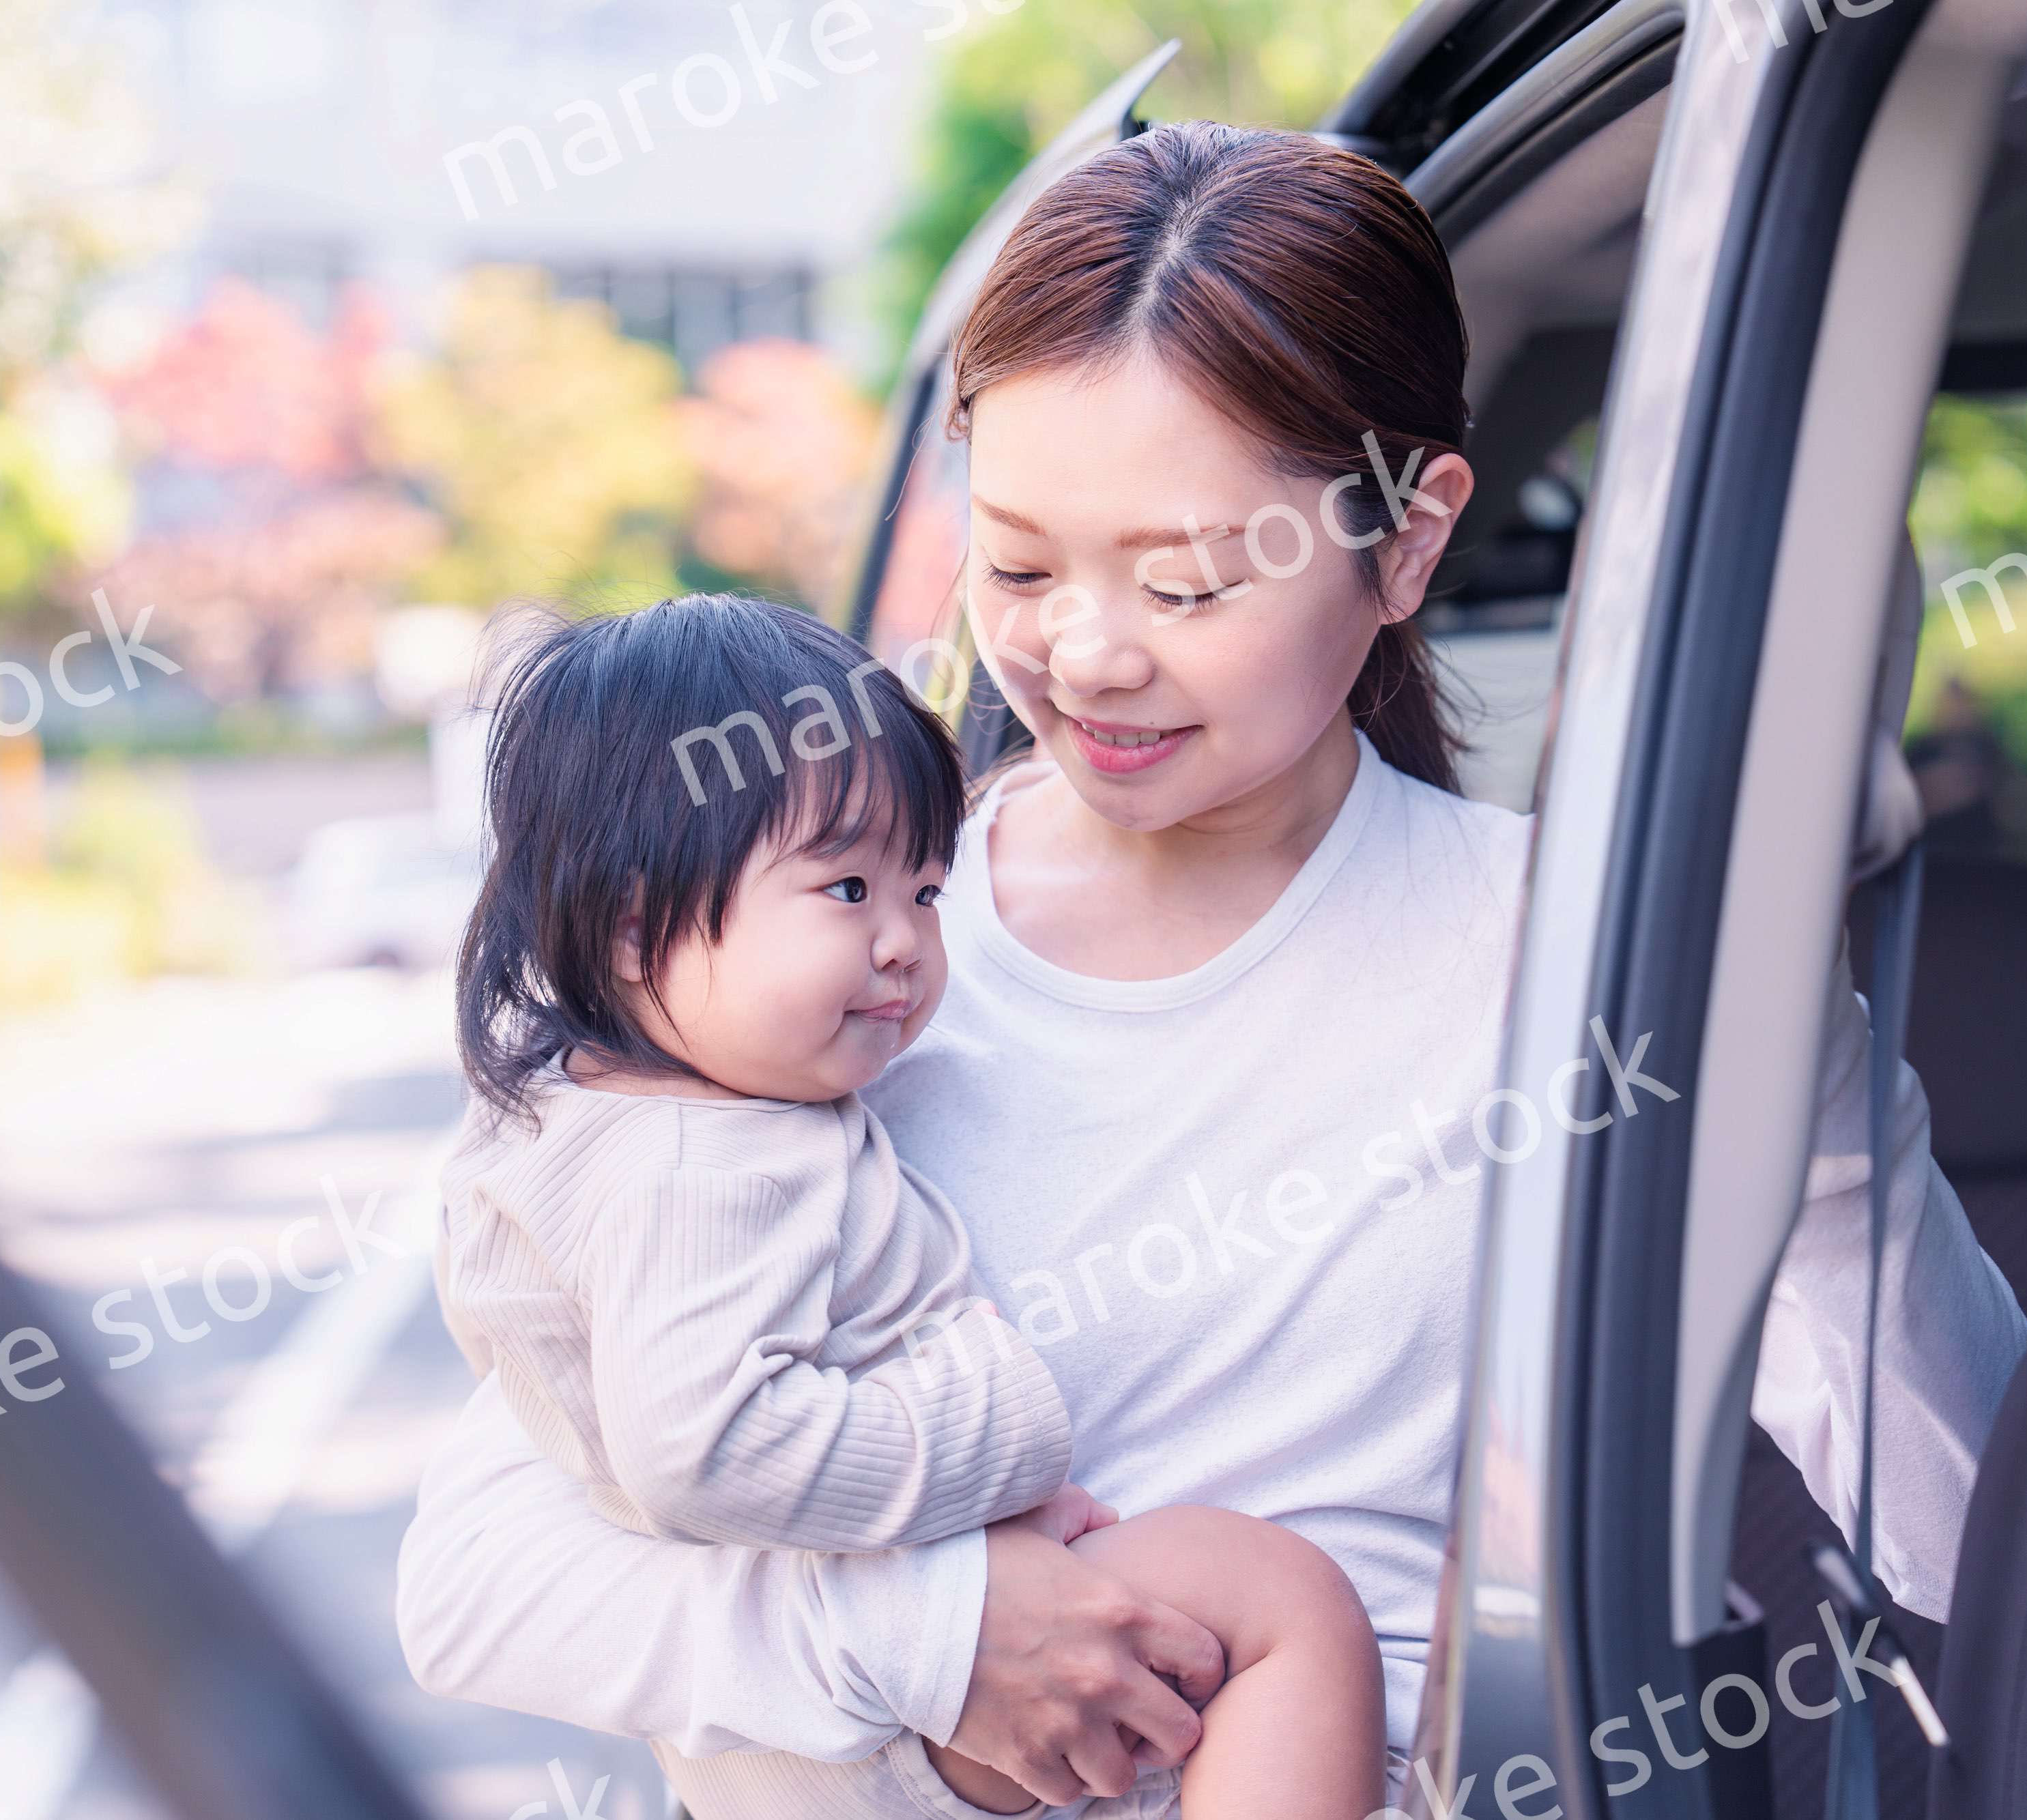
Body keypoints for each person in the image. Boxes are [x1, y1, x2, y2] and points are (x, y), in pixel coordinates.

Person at [397, 124, 2027, 1819]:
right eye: (1018, 564)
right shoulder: (819, 954)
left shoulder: (1573, 961)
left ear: (1404, 546)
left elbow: (1978, 1508)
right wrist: (934, 1632)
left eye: (1183, 580)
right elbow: (478, 1576)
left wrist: (1796, 1063)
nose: (1083, 652)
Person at [437, 593, 1385, 1819]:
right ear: (632, 927)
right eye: (844, 891)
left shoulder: (585, 1121)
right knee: (1279, 1602)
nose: (904, 944)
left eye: (926, 893)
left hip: (799, 1732)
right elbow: (705, 1450)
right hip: (872, 1728)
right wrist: (994, 1437)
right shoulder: (698, 1165)